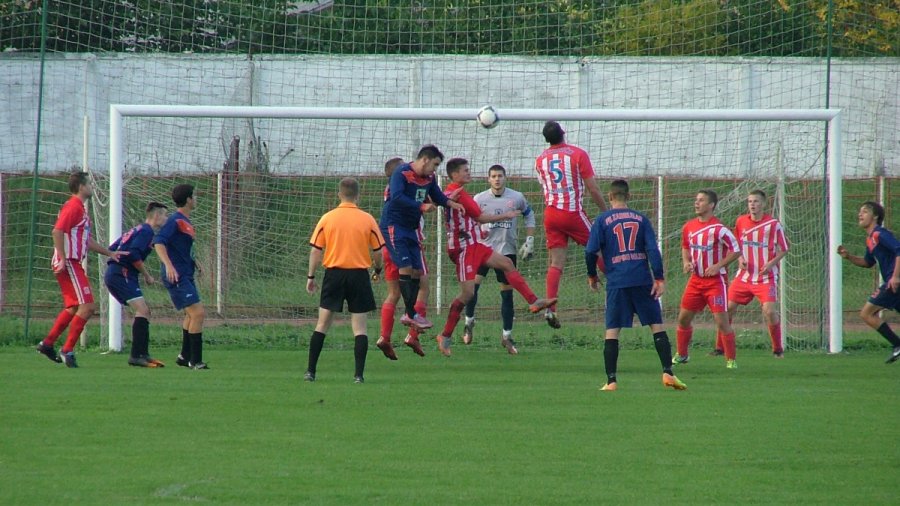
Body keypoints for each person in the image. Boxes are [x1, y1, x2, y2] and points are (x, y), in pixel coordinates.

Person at [434, 158, 555, 357]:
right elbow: (480, 217)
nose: (469, 172)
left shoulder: (455, 192)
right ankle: (445, 335)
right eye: (465, 170)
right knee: (467, 295)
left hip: (475, 244)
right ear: (455, 175)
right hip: (464, 249)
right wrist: (505, 216)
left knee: (507, 263)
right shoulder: (460, 194)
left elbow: (462, 213)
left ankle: (534, 301)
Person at [585, 179, 686, 391]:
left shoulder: (602, 220)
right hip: (641, 279)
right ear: (628, 196)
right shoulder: (641, 219)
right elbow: (652, 250)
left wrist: (592, 275)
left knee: (612, 330)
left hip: (617, 282)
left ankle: (611, 381)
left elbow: (590, 251)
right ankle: (668, 372)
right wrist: (659, 278)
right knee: (656, 326)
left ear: (610, 197)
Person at [35, 172, 125, 368]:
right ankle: (67, 350)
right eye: (89, 184)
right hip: (70, 263)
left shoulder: (80, 209)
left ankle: (47, 343)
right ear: (82, 187)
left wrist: (109, 253)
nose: (92, 187)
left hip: (71, 262)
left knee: (75, 307)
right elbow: (57, 231)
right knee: (88, 307)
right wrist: (62, 257)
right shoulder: (73, 207)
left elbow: (85, 240)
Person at [305, 177, 385, 383]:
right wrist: (377, 270)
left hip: (334, 275)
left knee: (322, 324)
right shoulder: (367, 219)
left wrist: (311, 276)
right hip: (358, 275)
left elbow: (315, 250)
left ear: (339, 195)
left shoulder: (328, 218)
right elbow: (378, 251)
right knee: (360, 328)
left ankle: (310, 372)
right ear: (358, 196)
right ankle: (358, 375)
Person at [379, 145, 464, 334]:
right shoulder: (402, 173)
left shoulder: (429, 178)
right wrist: (421, 207)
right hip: (394, 226)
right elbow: (397, 198)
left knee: (418, 272)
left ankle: (411, 316)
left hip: (412, 228)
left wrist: (451, 203)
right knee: (406, 268)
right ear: (425, 160)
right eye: (434, 164)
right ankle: (410, 314)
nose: (435, 169)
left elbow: (437, 196)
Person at [535, 121, 607, 329]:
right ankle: (620, 291)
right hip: (572, 212)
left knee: (556, 263)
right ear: (563, 134)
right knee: (601, 247)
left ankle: (551, 308)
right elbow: (592, 188)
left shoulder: (540, 160)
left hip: (550, 213)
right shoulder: (577, 154)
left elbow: (546, 185)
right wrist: (605, 211)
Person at [462, 164, 536, 353]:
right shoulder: (479, 199)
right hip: (482, 249)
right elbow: (468, 219)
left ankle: (507, 336)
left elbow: (529, 215)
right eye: (493, 176)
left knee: (507, 294)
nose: (497, 179)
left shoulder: (516, 197)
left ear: (505, 177)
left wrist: (530, 240)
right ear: (488, 179)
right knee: (472, 289)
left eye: (500, 176)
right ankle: (469, 322)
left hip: (506, 250)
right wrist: (476, 233)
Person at [714, 190, 790, 358]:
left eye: (756, 201)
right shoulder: (741, 222)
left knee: (769, 311)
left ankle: (777, 349)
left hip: (765, 278)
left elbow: (784, 249)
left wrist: (771, 264)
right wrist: (740, 258)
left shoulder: (773, 224)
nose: (752, 205)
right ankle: (720, 348)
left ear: (763, 204)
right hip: (744, 277)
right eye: (750, 201)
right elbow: (736, 245)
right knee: (726, 309)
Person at [673, 190, 742, 368]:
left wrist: (719, 265)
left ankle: (731, 360)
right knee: (683, 319)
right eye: (696, 200)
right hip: (695, 281)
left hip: (715, 283)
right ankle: (682, 355)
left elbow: (736, 249)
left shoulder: (719, 229)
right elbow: (685, 247)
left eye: (701, 200)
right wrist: (686, 262)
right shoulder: (688, 226)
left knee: (721, 322)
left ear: (711, 205)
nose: (697, 203)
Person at [375, 157, 432, 359]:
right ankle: (412, 333)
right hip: (405, 240)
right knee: (423, 286)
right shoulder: (406, 187)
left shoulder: (392, 189)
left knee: (394, 293)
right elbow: (426, 200)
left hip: (388, 245)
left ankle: (384, 337)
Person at [104, 202, 169, 367]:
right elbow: (133, 254)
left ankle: (143, 354)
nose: (166, 219)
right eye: (164, 215)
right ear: (156, 216)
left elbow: (113, 247)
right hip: (121, 273)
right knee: (143, 310)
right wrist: (146, 275)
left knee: (145, 311)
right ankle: (136, 356)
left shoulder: (138, 229)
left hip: (119, 272)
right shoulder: (147, 231)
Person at [153, 184, 209, 370]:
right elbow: (159, 243)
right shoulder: (175, 220)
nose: (196, 199)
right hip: (177, 275)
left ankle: (184, 357)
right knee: (198, 313)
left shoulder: (186, 221)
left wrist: (196, 262)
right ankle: (196, 360)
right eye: (194, 196)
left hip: (186, 272)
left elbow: (183, 248)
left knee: (190, 315)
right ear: (188, 200)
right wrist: (169, 266)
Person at [837, 201, 900, 364]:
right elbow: (867, 262)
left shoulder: (880, 234)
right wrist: (849, 257)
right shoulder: (870, 239)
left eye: (865, 211)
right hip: (893, 282)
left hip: (894, 283)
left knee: (866, 313)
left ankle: (898, 344)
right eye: (860, 211)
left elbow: (899, 250)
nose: (860, 214)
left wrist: (895, 277)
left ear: (875, 216)